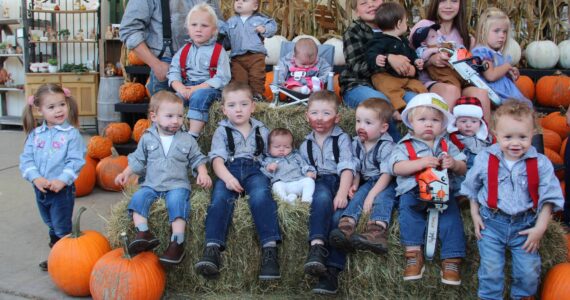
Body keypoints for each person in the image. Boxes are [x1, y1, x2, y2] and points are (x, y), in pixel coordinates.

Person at [461, 100, 564, 299]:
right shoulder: (485, 158)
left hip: (525, 226)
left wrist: (539, 229)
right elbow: (471, 188)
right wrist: (475, 215)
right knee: (491, 272)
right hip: (491, 224)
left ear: (532, 134)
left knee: (528, 273)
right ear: (495, 134)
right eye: (508, 137)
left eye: (522, 137)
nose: (515, 143)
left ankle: (523, 296)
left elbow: (549, 198)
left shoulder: (540, 163)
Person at [194, 82, 282, 280]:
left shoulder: (262, 129)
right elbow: (216, 161)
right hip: (229, 169)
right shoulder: (221, 131)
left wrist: (270, 166)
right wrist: (227, 178)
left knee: (261, 197)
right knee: (219, 200)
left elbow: (269, 155)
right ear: (224, 110)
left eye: (243, 104)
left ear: (253, 107)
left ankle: (270, 252)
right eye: (232, 105)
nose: (238, 109)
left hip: (255, 170)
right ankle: (212, 249)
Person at [114, 91, 211, 265]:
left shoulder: (187, 139)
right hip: (151, 184)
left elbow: (197, 158)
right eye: (169, 116)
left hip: (177, 185)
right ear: (154, 117)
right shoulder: (147, 138)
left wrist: (203, 172)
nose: (176, 121)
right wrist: (125, 173)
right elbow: (138, 160)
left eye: (180, 116)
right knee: (138, 198)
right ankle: (143, 233)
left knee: (177, 203)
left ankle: (177, 242)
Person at [389, 93, 466, 285]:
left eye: (435, 120)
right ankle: (413, 254)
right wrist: (420, 162)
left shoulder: (447, 144)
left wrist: (454, 163)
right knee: (408, 212)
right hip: (414, 191)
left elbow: (464, 167)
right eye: (422, 120)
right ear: (411, 122)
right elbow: (396, 168)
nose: (429, 124)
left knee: (451, 216)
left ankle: (451, 259)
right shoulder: (405, 146)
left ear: (443, 124)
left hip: (442, 192)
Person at [19, 84, 86, 271]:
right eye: (51, 107)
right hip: (40, 188)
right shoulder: (35, 135)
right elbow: (26, 159)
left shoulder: (71, 135)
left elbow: (76, 161)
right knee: (50, 224)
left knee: (61, 227)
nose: (58, 110)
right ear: (39, 110)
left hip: (61, 191)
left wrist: (62, 180)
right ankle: (57, 256)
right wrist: (35, 178)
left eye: (61, 104)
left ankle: (64, 261)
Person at [299, 90, 357, 295]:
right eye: (314, 113)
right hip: (320, 182)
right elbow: (304, 168)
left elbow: (348, 166)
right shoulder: (305, 143)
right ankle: (316, 248)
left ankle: (332, 271)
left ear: (337, 117)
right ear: (307, 116)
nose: (320, 118)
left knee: (338, 220)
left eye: (326, 113)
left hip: (341, 180)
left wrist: (342, 192)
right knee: (321, 199)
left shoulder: (341, 138)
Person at [340, 0, 416, 141]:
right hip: (359, 84)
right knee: (380, 104)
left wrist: (412, 66)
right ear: (356, 12)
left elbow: (408, 58)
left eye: (375, 0)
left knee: (417, 102)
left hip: (393, 85)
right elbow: (356, 67)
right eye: (364, 3)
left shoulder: (396, 26)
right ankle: (396, 147)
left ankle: (422, 145)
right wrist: (389, 60)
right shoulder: (354, 31)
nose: (371, 4)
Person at [329, 98, 397, 254]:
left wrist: (372, 195)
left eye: (368, 123)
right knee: (358, 196)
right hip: (368, 180)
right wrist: (355, 182)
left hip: (386, 181)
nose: (360, 126)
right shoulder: (356, 143)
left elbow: (387, 174)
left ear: (383, 128)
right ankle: (346, 227)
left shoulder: (387, 146)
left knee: (382, 199)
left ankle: (376, 232)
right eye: (358, 121)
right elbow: (357, 167)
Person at [119, 0, 222, 96]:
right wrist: (156, 65)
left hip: (203, 68)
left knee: (199, 112)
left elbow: (219, 26)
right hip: (167, 66)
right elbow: (129, 29)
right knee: (167, 113)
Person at [414, 0, 491, 120]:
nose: (448, 6)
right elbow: (410, 56)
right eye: (443, 1)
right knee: (451, 90)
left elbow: (475, 61)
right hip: (431, 81)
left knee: (481, 93)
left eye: (454, 1)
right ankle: (444, 134)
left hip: (460, 80)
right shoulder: (425, 25)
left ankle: (486, 135)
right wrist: (430, 61)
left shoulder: (464, 36)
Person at [168, 4, 231, 138]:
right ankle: (172, 133)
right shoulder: (184, 50)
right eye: (194, 25)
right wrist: (180, 88)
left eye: (204, 26)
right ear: (188, 28)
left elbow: (222, 77)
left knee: (199, 96)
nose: (198, 29)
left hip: (209, 88)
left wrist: (197, 88)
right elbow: (173, 71)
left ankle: (193, 135)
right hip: (186, 86)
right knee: (172, 101)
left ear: (214, 30)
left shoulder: (219, 51)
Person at [366, 2, 426, 111]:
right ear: (399, 23)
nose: (407, 24)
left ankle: (428, 100)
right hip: (387, 77)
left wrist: (416, 60)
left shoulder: (403, 40)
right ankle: (399, 108)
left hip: (405, 77)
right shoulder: (379, 40)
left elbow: (411, 53)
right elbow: (370, 53)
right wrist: (377, 58)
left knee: (420, 87)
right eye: (406, 21)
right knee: (389, 89)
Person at [472, 7, 532, 106]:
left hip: (505, 92)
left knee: (525, 109)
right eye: (496, 31)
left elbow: (499, 73)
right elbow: (491, 75)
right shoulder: (484, 52)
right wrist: (507, 66)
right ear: (483, 31)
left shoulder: (496, 53)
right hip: (496, 94)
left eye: (504, 32)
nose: (502, 35)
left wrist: (509, 74)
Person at [221, 0, 277, 100]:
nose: (239, 2)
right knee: (239, 79)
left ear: (255, 6)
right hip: (237, 57)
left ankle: (257, 96)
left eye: (244, 1)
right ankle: (241, 97)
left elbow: (272, 26)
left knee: (256, 77)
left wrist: (265, 29)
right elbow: (225, 38)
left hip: (255, 55)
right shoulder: (231, 21)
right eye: (237, 0)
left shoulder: (260, 19)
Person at [447, 96, 493, 194]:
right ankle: (462, 198)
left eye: (473, 121)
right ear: (455, 122)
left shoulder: (486, 140)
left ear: (480, 123)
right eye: (463, 121)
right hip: (462, 175)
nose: (468, 125)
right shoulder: (454, 140)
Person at [261, 128, 316, 203]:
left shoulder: (296, 156)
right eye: (277, 146)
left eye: (286, 147)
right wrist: (269, 168)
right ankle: (286, 201)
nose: (282, 149)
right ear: (269, 148)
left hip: (298, 182)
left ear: (292, 147)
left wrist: (309, 172)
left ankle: (306, 200)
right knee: (276, 186)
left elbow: (304, 165)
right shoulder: (268, 160)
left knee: (309, 181)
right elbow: (263, 171)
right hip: (284, 184)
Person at [410, 20, 465, 89]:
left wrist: (458, 48)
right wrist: (435, 50)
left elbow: (452, 47)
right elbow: (423, 56)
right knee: (453, 84)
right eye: (433, 36)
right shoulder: (423, 49)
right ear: (423, 43)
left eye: (437, 35)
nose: (437, 38)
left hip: (453, 70)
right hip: (440, 74)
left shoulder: (442, 43)